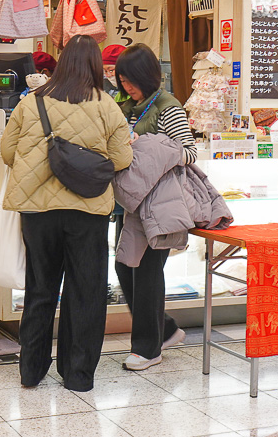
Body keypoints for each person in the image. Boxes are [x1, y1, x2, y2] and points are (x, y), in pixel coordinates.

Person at [0, 36, 133, 392]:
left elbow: (7, 152)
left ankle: (31, 369)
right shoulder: (107, 105)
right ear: (93, 65)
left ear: (61, 63)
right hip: (86, 210)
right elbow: (121, 160)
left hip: (38, 212)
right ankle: (78, 374)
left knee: (40, 288)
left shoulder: (32, 102)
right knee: (86, 290)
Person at [113, 44, 196, 371]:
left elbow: (188, 152)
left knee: (146, 272)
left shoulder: (167, 107)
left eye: (130, 80)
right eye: (122, 81)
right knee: (124, 268)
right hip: (132, 204)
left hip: (159, 204)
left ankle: (148, 349)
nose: (125, 87)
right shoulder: (129, 106)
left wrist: (150, 148)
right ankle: (166, 330)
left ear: (145, 76)